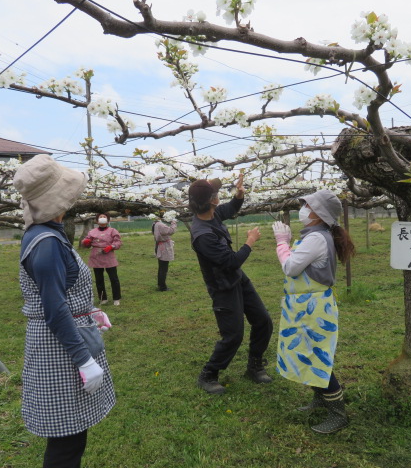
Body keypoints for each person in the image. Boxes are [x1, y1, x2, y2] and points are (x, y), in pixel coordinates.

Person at [13, 154, 115, 468]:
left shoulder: (48, 233)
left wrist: (88, 310)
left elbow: (62, 294)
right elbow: (54, 309)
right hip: (60, 351)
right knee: (66, 443)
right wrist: (84, 360)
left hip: (59, 342)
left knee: (71, 434)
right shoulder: (46, 243)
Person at [271, 189, 355, 434]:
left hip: (313, 308)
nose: (303, 209)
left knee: (318, 358)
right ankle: (320, 398)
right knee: (309, 353)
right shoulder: (314, 235)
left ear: (319, 214)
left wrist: (281, 242)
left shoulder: (316, 238)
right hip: (304, 307)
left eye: (307, 205)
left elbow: (290, 267)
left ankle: (338, 414)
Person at [189, 173, 274, 395]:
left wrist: (239, 196)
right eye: (216, 193)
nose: (219, 196)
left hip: (237, 278)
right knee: (233, 335)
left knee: (263, 321)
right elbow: (230, 261)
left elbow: (229, 210)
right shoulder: (202, 235)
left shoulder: (211, 215)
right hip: (222, 286)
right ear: (211, 200)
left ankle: (254, 366)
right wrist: (250, 241)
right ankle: (208, 374)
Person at [82, 214, 122, 306]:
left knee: (113, 278)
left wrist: (111, 246)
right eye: (100, 217)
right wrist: (86, 242)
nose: (102, 218)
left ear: (108, 220)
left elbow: (118, 242)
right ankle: (103, 298)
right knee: (99, 279)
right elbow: (87, 242)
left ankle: (116, 298)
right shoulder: (92, 231)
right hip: (96, 256)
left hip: (109, 255)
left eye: (105, 217)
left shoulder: (113, 231)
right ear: (97, 221)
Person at [152, 216, 177, 291]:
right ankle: (162, 287)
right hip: (163, 247)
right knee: (164, 268)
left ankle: (160, 284)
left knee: (161, 267)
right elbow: (170, 231)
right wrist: (173, 223)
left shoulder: (155, 223)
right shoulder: (160, 225)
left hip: (160, 245)